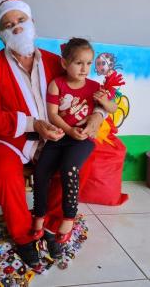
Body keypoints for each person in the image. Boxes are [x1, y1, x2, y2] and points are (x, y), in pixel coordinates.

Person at [0, 0, 105, 267]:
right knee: (3, 171)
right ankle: (24, 237)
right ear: (1, 35)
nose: (17, 27)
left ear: (32, 23)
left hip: (58, 135)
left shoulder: (55, 61)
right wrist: (33, 124)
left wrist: (97, 116)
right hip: (11, 138)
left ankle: (53, 226)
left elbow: (89, 91)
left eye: (21, 20)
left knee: (80, 160)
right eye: (8, 24)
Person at [31, 38, 118, 243]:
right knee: (41, 171)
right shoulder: (56, 84)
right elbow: (53, 114)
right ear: (64, 63)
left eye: (89, 63)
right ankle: (39, 215)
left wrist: (104, 101)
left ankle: (68, 218)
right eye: (79, 63)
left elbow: (112, 108)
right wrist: (69, 130)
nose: (84, 68)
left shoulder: (95, 87)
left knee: (69, 168)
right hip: (61, 136)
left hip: (82, 139)